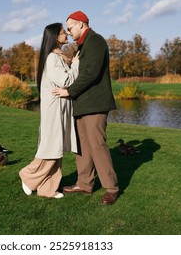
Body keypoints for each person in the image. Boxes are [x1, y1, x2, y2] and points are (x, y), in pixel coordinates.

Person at [52, 11, 119, 205]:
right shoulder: (81, 46)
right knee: (81, 146)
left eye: (70, 28)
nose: (69, 32)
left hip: (94, 105)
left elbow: (90, 73)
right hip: (81, 105)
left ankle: (111, 188)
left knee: (97, 146)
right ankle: (84, 183)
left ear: (81, 24)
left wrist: (68, 91)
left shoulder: (96, 41)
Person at [19, 22, 79, 199]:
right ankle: (28, 176)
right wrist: (75, 65)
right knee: (51, 148)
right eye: (63, 32)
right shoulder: (52, 58)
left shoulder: (59, 56)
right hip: (54, 111)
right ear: (55, 37)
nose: (66, 34)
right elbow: (66, 81)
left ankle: (47, 190)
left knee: (57, 149)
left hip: (61, 109)